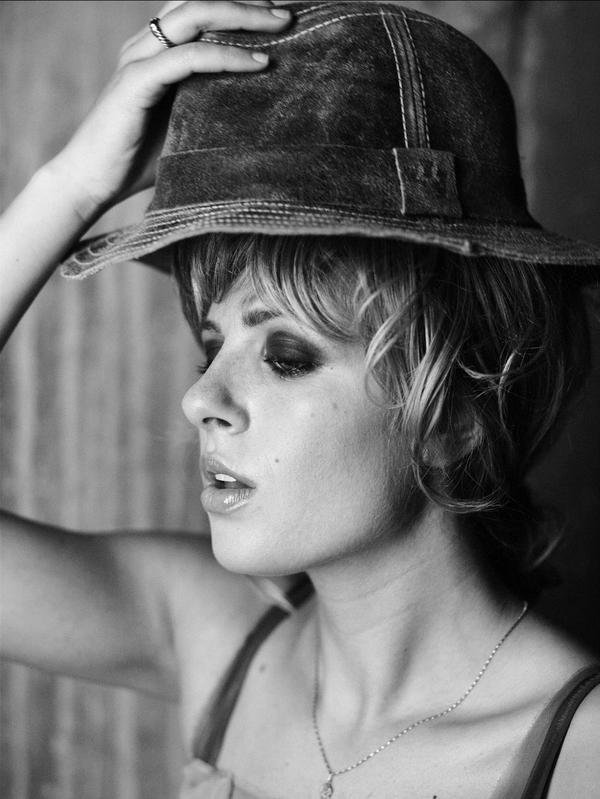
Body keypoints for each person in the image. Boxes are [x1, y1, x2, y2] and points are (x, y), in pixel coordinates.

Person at [1, 2, 599, 797]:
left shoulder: (581, 757)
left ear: (455, 415)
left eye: (286, 358)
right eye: (212, 347)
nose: (199, 398)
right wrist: (70, 187)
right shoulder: (215, 635)